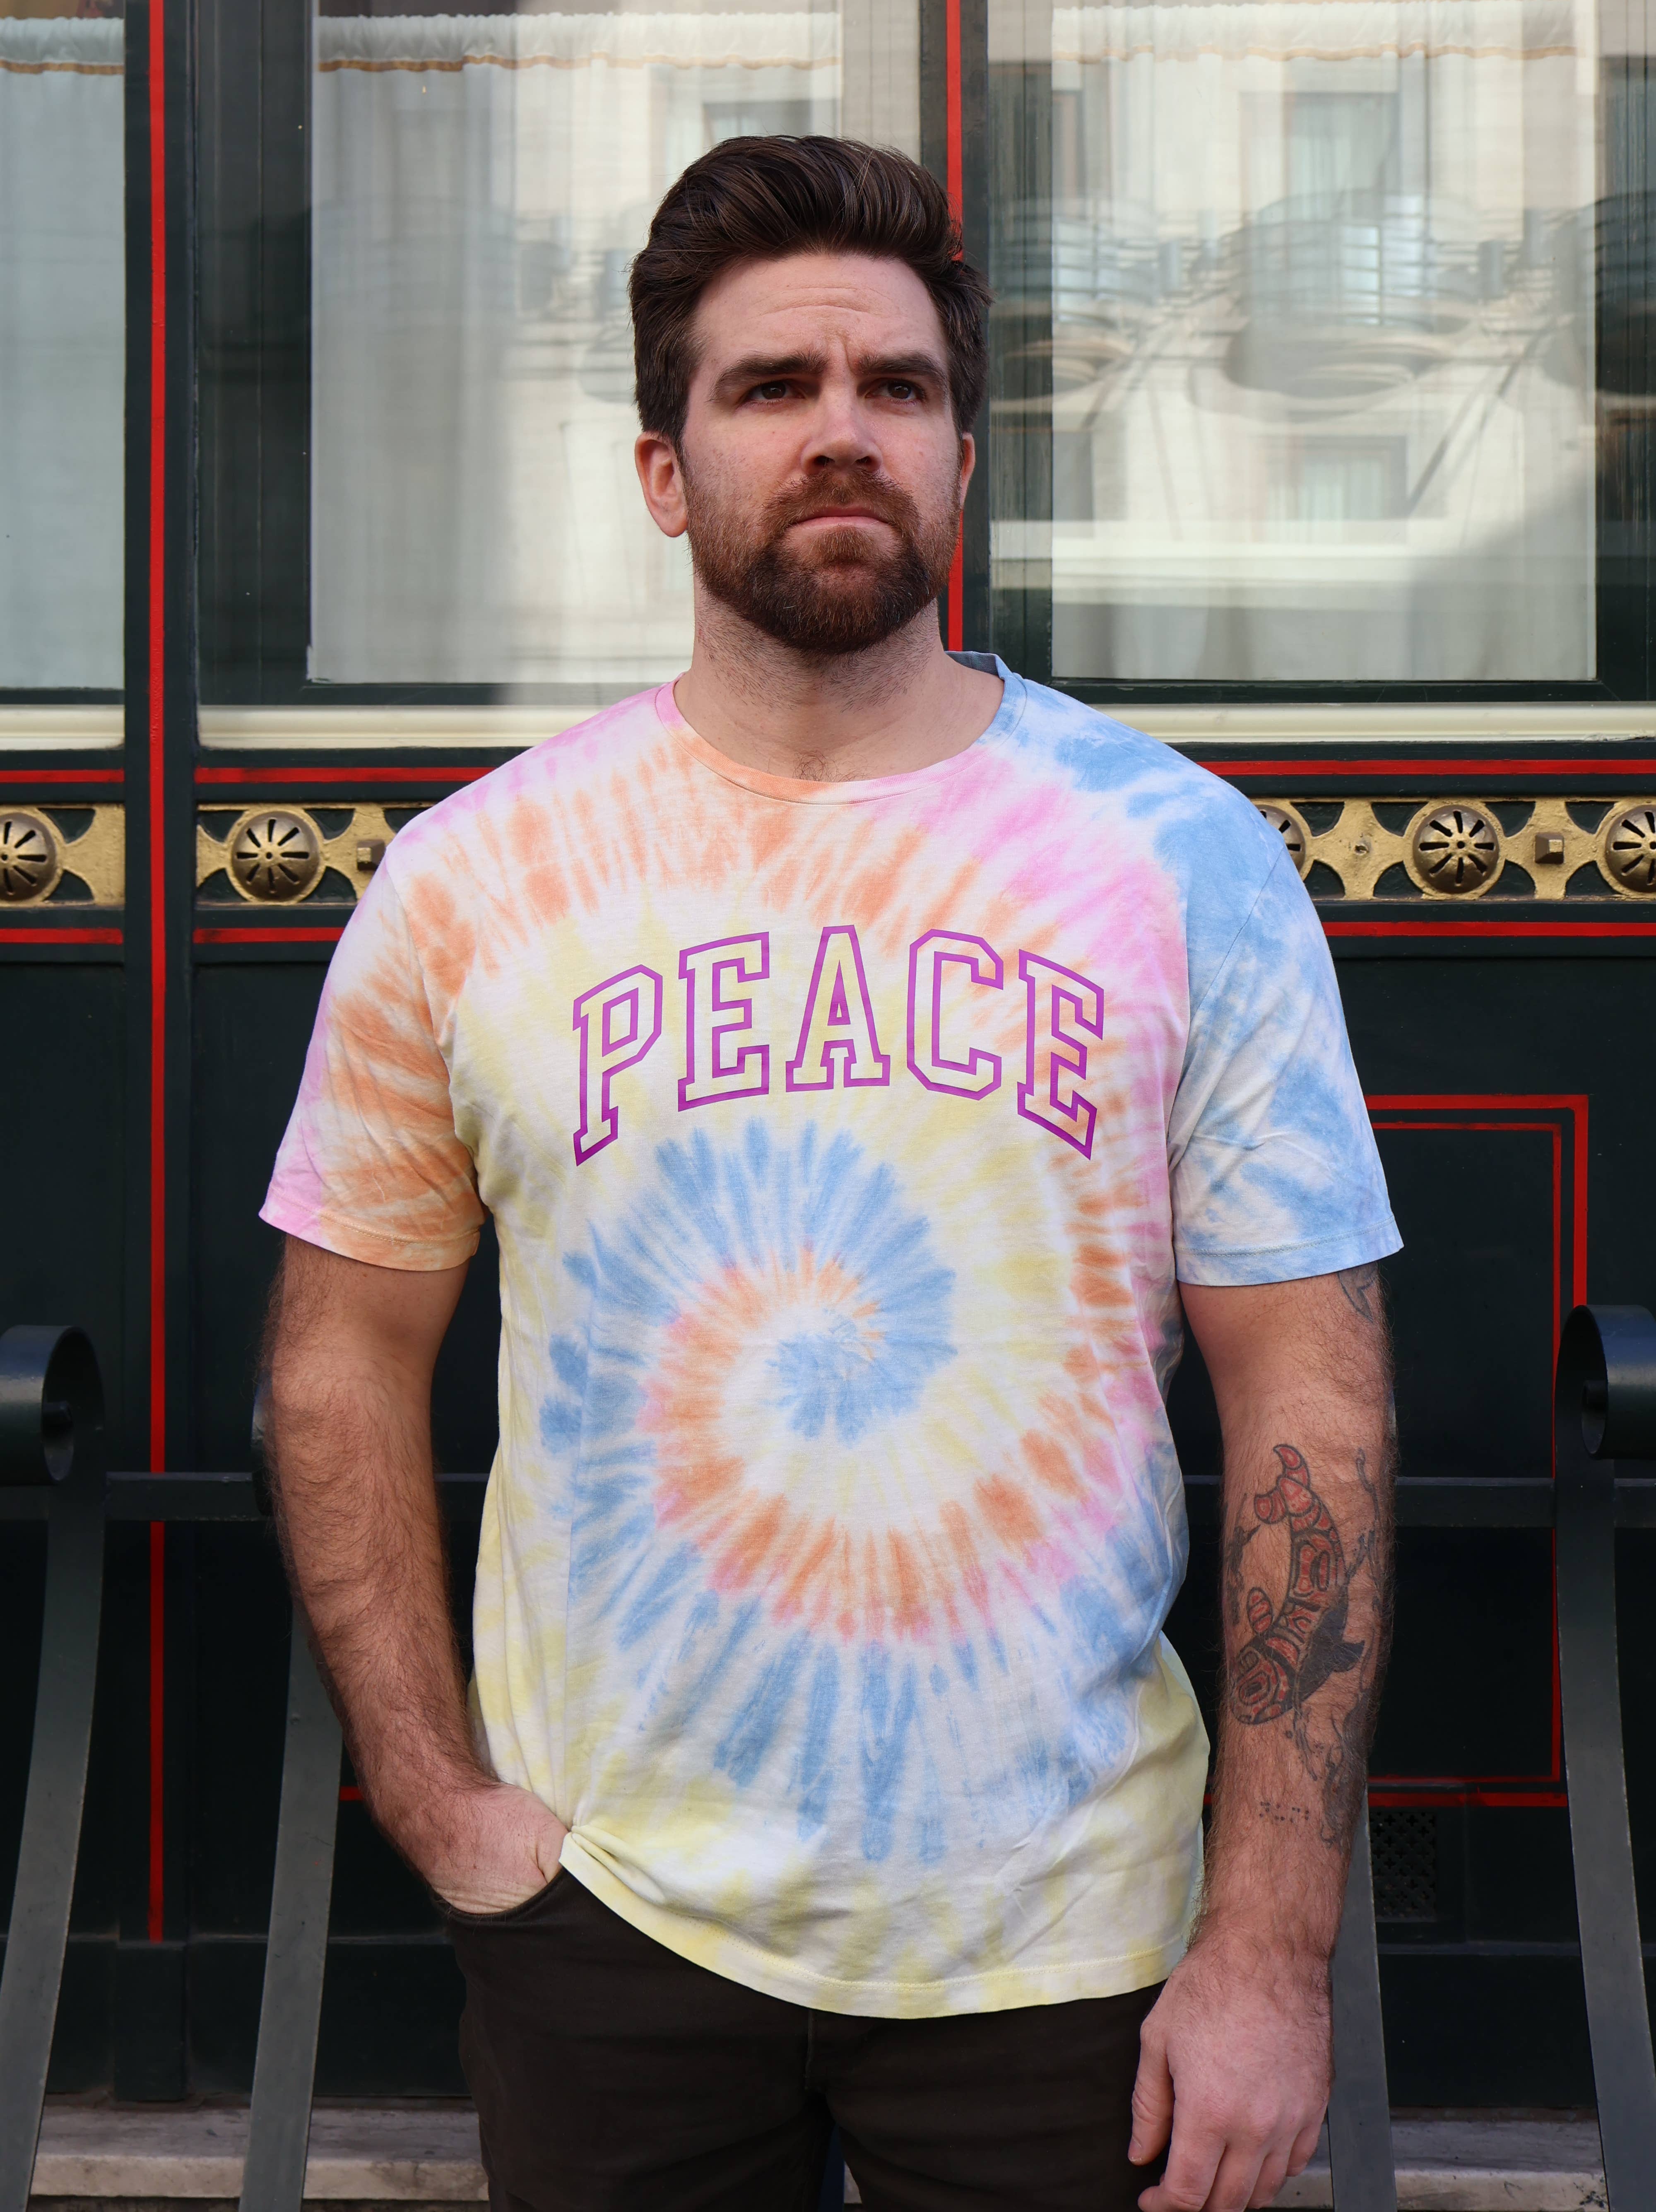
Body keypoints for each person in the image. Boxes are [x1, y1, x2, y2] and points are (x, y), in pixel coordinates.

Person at [260, 136, 1400, 2212]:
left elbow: (1307, 1395)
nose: (841, 431)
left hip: (1068, 1937)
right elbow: (340, 1355)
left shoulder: (1180, 861)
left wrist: (1269, 1946)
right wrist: (447, 1813)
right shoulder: (474, 881)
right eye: (770, 385)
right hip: (611, 1920)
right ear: (663, 467)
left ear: (964, 456)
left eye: (896, 386)